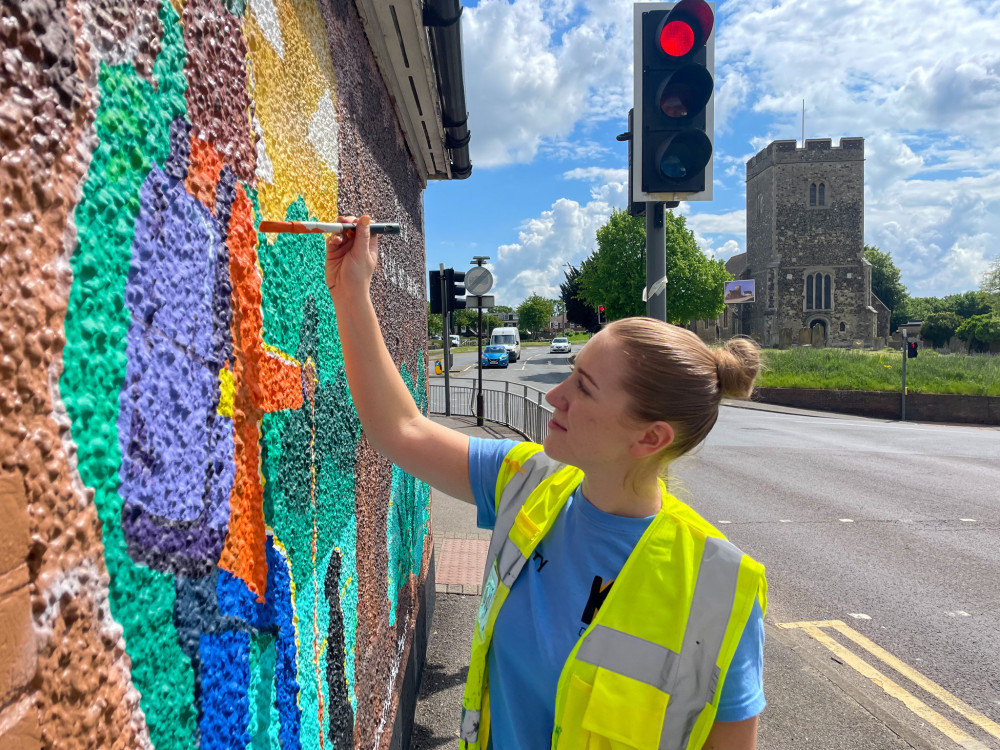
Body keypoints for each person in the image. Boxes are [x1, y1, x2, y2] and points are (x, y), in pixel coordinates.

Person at [326, 216, 768, 750]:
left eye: (583, 387)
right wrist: (352, 291)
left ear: (650, 438)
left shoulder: (718, 591)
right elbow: (402, 429)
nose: (556, 396)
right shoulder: (527, 479)